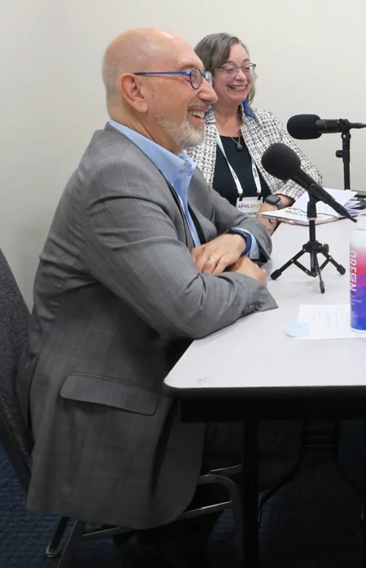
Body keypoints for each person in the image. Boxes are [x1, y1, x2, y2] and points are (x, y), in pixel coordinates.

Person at [15, 28, 300, 567]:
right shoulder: (118, 176)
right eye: (191, 77)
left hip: (145, 356)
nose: (210, 92)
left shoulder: (165, 160)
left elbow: (251, 221)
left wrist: (237, 242)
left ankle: (182, 526)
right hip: (106, 400)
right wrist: (249, 278)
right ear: (136, 90)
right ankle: (160, 539)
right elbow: (190, 309)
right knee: (283, 418)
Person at [188, 32, 322, 233]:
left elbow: (310, 176)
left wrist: (275, 202)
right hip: (214, 242)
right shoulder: (189, 127)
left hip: (270, 239)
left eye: (246, 67)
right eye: (230, 69)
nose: (242, 77)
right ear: (206, 75)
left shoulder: (264, 123)